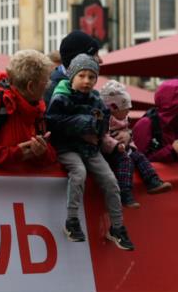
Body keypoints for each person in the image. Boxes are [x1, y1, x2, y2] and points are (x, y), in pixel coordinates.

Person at [45, 54, 134, 250]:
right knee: (79, 173)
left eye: (91, 77)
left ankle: (117, 227)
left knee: (110, 180)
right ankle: (72, 221)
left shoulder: (96, 99)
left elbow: (103, 124)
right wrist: (86, 125)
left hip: (90, 148)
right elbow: (53, 122)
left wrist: (98, 129)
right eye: (82, 75)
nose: (86, 81)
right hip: (66, 147)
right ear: (72, 76)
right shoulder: (60, 97)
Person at [98, 80, 172, 206]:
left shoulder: (122, 119)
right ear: (114, 108)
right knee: (126, 161)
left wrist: (129, 139)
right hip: (112, 152)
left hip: (124, 147)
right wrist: (115, 145)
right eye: (125, 108)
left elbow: (127, 132)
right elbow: (102, 137)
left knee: (139, 156)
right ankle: (124, 192)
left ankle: (152, 181)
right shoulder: (104, 120)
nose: (128, 110)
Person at [44, 31, 100, 103]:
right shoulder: (52, 93)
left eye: (90, 77)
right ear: (79, 60)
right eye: (95, 55)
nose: (100, 60)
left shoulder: (92, 94)